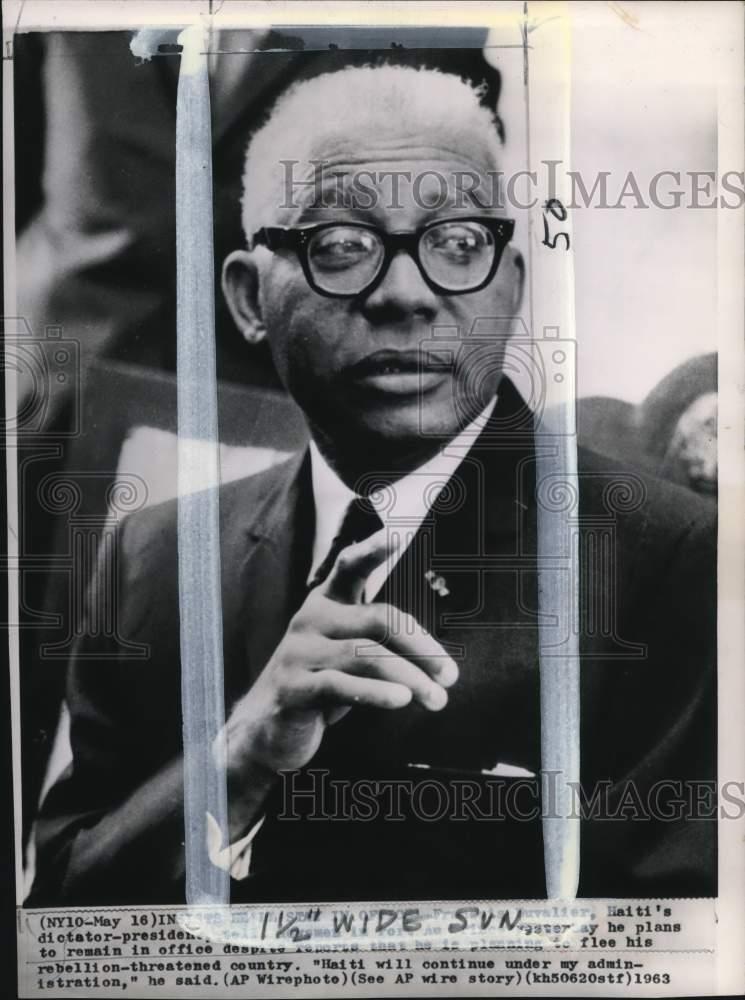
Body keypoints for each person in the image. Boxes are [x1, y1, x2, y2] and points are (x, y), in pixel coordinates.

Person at [28, 65, 716, 906]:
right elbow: (56, 920)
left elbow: (676, 944)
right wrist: (234, 760)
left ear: (512, 286)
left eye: (458, 245)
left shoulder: (668, 559)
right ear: (249, 297)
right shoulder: (155, 554)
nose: (405, 293)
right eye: (342, 248)